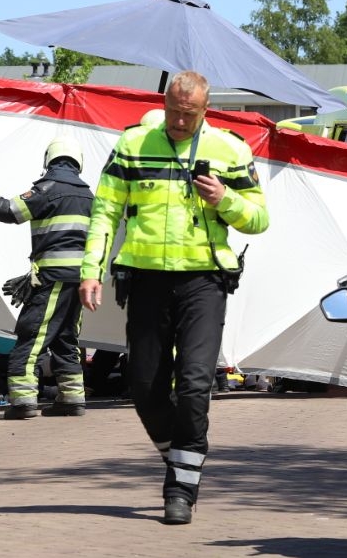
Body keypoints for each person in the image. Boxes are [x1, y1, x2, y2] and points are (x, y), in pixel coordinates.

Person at [79, 71, 269, 525]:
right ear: (163, 104)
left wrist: (225, 199)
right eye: (173, 112)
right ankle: (184, 458)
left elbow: (259, 219)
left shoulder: (230, 149)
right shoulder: (133, 144)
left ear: (205, 109)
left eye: (189, 114)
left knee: (194, 384)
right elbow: (104, 211)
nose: (179, 122)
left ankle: (181, 487)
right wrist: (91, 271)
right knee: (144, 389)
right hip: (146, 280)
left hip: (204, 281)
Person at [0, 136, 93, 420]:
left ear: (49, 160)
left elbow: (8, 211)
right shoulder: (89, 195)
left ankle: (23, 401)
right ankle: (72, 398)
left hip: (51, 278)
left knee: (32, 336)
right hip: (80, 279)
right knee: (66, 337)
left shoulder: (46, 189)